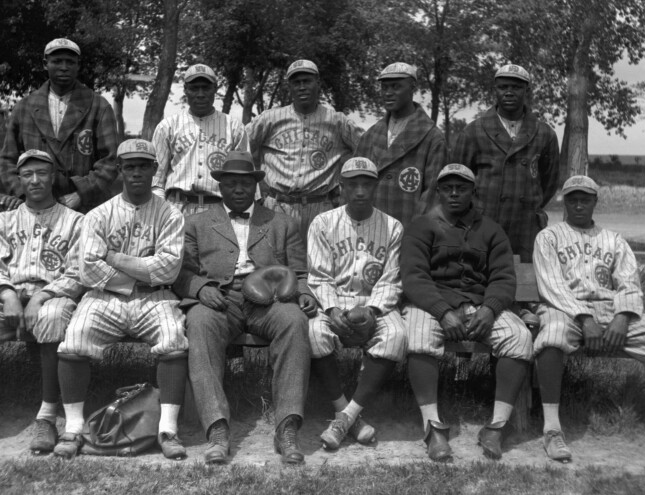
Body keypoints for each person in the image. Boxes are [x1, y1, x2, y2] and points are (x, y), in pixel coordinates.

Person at [533, 175, 645, 464]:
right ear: (564, 201)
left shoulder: (614, 240)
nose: (579, 204)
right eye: (573, 198)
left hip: (610, 310)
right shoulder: (548, 237)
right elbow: (552, 286)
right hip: (564, 309)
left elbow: (629, 283)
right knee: (552, 335)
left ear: (595, 201)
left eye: (585, 199)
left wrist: (622, 317)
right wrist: (584, 318)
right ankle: (552, 429)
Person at [173, 150, 316, 465]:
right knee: (199, 322)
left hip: (271, 299)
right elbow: (181, 273)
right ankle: (217, 430)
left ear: (256, 186)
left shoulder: (282, 222)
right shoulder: (196, 223)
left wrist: (304, 292)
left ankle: (287, 427)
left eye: (245, 183)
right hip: (221, 299)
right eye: (231, 183)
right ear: (220, 187)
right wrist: (201, 288)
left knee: (294, 321)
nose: (238, 189)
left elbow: (301, 272)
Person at [53, 139, 190, 461]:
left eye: (144, 166)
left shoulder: (170, 214)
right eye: (130, 166)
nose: (137, 172)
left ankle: (167, 429)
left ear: (156, 169)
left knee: (173, 339)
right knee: (74, 339)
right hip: (103, 298)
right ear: (120, 170)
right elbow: (88, 270)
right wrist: (142, 271)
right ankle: (73, 427)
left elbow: (169, 269)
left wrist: (114, 257)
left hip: (155, 298)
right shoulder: (99, 214)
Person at [0, 150, 84, 454]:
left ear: (54, 177)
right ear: (19, 180)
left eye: (42, 173)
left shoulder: (76, 222)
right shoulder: (1, 221)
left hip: (51, 295)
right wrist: (8, 295)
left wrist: (41, 297)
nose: (35, 180)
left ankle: (46, 416)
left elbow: (78, 273)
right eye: (27, 174)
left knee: (52, 317)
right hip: (3, 298)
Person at [401, 164, 533, 462]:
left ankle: (496, 427)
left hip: (479, 304)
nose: (454, 193)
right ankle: (433, 427)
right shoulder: (422, 225)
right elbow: (413, 276)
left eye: (462, 188)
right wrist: (442, 311)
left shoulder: (490, 229)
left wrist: (490, 308)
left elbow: (503, 277)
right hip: (432, 302)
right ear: (438, 191)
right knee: (420, 334)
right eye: (447, 187)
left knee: (518, 337)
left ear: (474, 191)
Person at [306, 157, 406, 450]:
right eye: (353, 184)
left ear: (375, 186)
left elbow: (391, 279)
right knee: (313, 333)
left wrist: (373, 311)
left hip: (375, 303)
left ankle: (345, 417)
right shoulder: (323, 222)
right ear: (342, 187)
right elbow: (319, 275)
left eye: (366, 184)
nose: (360, 191)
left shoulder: (393, 226)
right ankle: (346, 412)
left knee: (396, 336)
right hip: (333, 302)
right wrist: (332, 309)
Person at [449, 64, 559, 261]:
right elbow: (456, 181)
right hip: (482, 224)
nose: (509, 92)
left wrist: (529, 203)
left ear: (527, 90)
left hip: (526, 227)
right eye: (503, 87)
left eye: (516, 88)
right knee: (478, 280)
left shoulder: (544, 134)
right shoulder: (474, 131)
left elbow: (549, 182)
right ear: (495, 90)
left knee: (525, 283)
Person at [0, 38, 119, 213]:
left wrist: (82, 193)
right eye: (56, 61)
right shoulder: (25, 107)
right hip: (35, 208)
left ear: (78, 65)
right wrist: (23, 194)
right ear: (45, 64)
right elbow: (7, 161)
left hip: (86, 209)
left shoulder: (98, 106)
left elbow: (111, 160)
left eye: (70, 62)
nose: (64, 67)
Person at [248, 59, 363, 239]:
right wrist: (255, 191)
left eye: (307, 81)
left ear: (318, 83)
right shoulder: (270, 118)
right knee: (274, 264)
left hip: (321, 206)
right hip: (277, 205)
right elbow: (239, 150)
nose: (302, 87)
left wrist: (348, 189)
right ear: (290, 87)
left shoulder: (336, 121)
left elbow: (367, 149)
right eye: (296, 82)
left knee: (320, 264)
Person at [151, 63, 248, 215]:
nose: (200, 94)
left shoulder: (234, 127)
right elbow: (156, 180)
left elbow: (244, 176)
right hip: (176, 206)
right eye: (194, 88)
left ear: (215, 89)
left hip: (219, 208)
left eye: (206, 88)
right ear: (185, 90)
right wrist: (160, 212)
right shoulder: (168, 126)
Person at [355, 62, 446, 224]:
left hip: (409, 232)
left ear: (413, 88)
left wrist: (417, 236)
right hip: (368, 230)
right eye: (384, 87)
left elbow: (433, 195)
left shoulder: (432, 137)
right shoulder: (370, 136)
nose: (388, 93)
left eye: (396, 87)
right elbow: (353, 185)